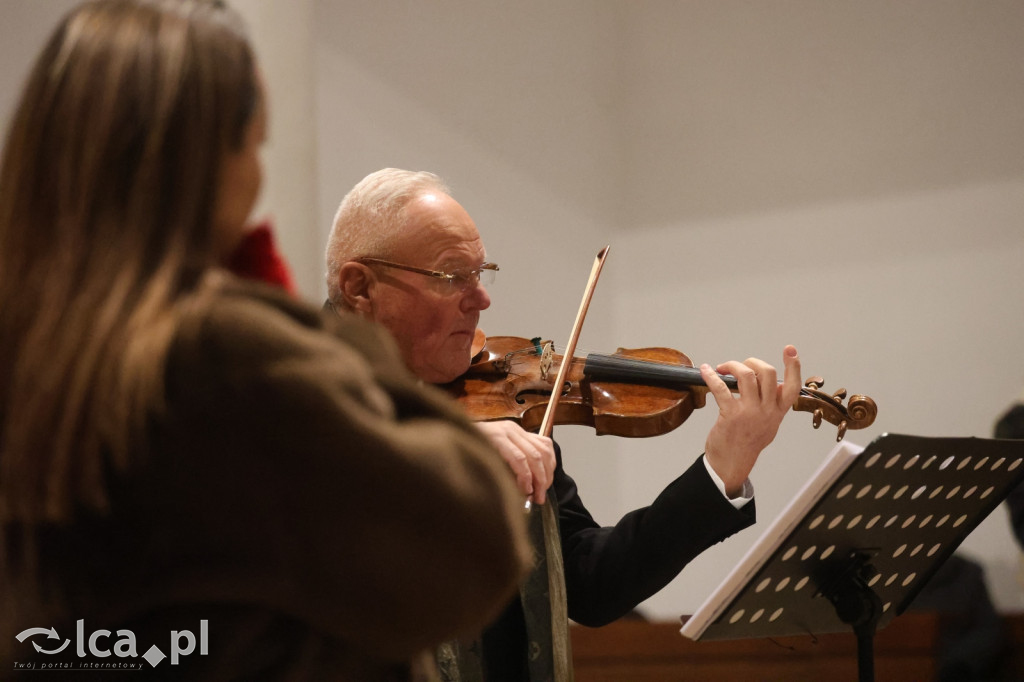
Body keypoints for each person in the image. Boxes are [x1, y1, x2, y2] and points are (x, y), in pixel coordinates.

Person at [0, 3, 532, 680]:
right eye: (253, 146)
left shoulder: (30, 351)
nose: (256, 181)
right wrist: (326, 334)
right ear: (200, 163)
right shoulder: (219, 355)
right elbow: (474, 548)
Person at [324, 168, 802, 681]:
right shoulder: (285, 402)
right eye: (451, 276)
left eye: (481, 274)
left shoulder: (497, 407)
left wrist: (722, 466)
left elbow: (591, 585)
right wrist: (439, 451)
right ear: (359, 287)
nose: (481, 299)